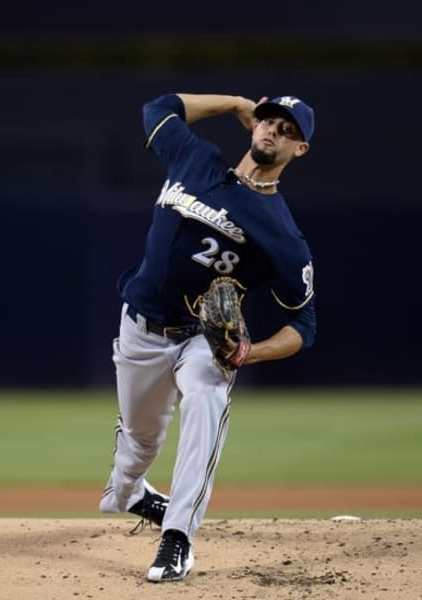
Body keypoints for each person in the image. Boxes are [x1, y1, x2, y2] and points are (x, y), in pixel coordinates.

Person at [99, 92, 317, 582]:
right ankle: (129, 492)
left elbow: (304, 325)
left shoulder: (282, 234)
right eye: (268, 122)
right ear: (254, 125)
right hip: (141, 327)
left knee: (206, 397)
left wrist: (251, 352)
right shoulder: (196, 158)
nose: (273, 132)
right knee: (140, 443)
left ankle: (178, 538)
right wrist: (236, 102)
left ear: (299, 150)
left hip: (203, 336)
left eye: (287, 131)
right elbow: (156, 108)